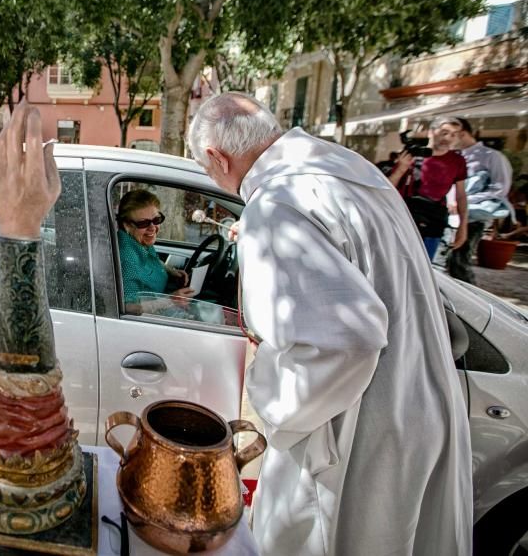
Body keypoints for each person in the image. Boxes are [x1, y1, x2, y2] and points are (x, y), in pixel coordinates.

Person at [187, 92, 472, 555]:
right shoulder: (348, 169)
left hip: (359, 436)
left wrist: (270, 397)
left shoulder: (277, 206)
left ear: (218, 158)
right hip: (416, 402)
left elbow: (348, 339)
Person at [387, 117, 468, 259]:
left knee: (424, 267)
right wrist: (401, 169)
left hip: (434, 221)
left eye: (454, 134)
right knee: (394, 263)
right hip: (405, 219)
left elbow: (461, 196)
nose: (448, 138)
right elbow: (387, 188)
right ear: (431, 132)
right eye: (444, 132)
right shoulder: (413, 155)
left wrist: (463, 227)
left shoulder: (458, 161)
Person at [447, 117, 514, 284]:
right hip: (448, 214)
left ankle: (470, 306)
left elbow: (499, 188)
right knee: (445, 263)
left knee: (459, 262)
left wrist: (464, 201)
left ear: (462, 134)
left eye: (450, 134)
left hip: (473, 216)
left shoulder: (492, 156)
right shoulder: (453, 156)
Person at [116, 189, 193, 314]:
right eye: (143, 223)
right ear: (127, 225)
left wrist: (170, 271)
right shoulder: (128, 260)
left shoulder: (138, 241)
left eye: (156, 220)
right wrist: (171, 300)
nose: (152, 228)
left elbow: (150, 258)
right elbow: (127, 307)